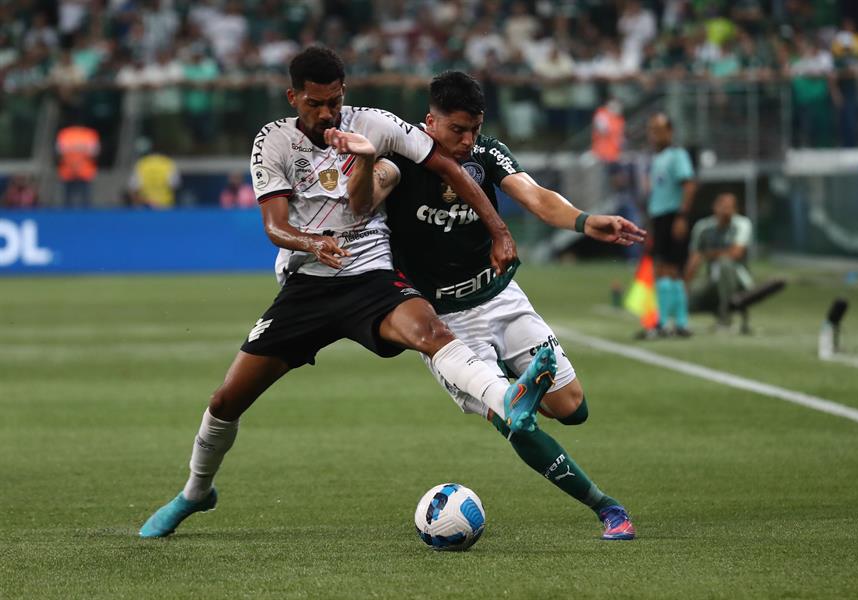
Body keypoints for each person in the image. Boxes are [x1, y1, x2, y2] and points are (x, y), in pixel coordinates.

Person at [139, 47, 555, 538]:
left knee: (431, 332)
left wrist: (500, 230)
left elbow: (448, 167)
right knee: (228, 399)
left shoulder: (374, 124)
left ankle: (509, 400)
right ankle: (195, 492)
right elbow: (274, 226)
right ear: (293, 97)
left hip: (370, 274)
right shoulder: (273, 140)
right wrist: (312, 242)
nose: (327, 113)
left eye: (334, 101)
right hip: (308, 285)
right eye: (314, 103)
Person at [330, 71, 645, 541]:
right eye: (457, 129)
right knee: (513, 421)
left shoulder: (486, 153)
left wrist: (584, 221)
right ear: (429, 122)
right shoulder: (398, 160)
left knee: (572, 408)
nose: (467, 140)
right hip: (443, 326)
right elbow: (364, 199)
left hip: (498, 297)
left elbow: (535, 195)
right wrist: (364, 162)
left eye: (474, 129)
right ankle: (608, 509)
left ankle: (518, 385)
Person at [686, 193, 784, 333]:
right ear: (715, 207)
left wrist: (708, 254)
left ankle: (725, 319)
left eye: (730, 207)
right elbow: (694, 259)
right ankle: (714, 308)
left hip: (738, 279)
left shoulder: (742, 224)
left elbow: (735, 253)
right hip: (712, 280)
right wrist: (685, 285)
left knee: (725, 263)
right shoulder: (703, 227)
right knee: (687, 303)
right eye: (723, 206)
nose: (726, 210)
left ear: (735, 209)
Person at [640, 112, 697, 338]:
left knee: (671, 270)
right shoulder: (657, 158)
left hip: (672, 216)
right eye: (651, 130)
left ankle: (677, 322)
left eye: (659, 130)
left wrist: (682, 216)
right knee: (661, 269)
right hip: (659, 218)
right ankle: (668, 322)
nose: (654, 135)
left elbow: (689, 185)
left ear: (670, 131)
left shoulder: (677, 155)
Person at [55, 123, 100, 208]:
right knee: (81, 202)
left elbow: (58, 155)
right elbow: (95, 155)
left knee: (71, 202)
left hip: (76, 173)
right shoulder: (89, 134)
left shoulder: (65, 134)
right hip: (78, 173)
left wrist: (73, 164)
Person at [128, 144, 180, 209]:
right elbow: (174, 185)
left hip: (145, 206)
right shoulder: (168, 163)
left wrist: (139, 203)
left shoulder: (141, 164)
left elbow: (133, 188)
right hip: (165, 206)